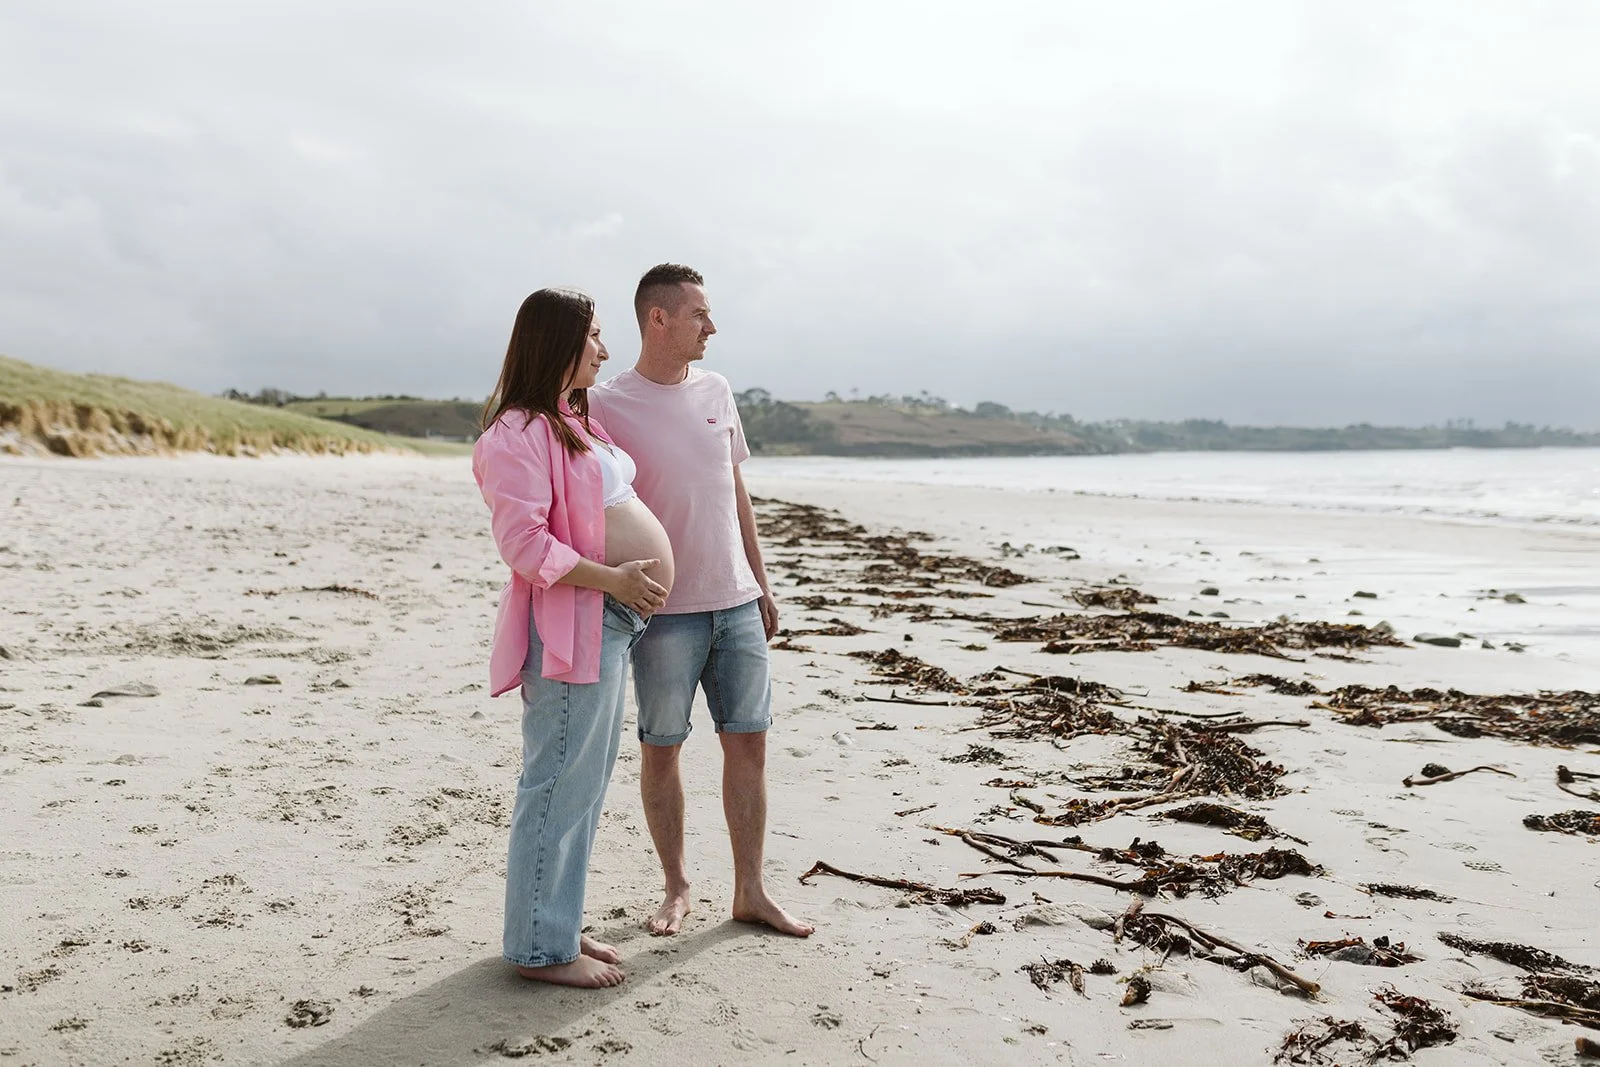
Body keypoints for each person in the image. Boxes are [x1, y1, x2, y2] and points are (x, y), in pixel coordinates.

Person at [588, 264, 815, 939]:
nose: (711, 327)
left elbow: (734, 491)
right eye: (699, 315)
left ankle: (751, 890)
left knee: (750, 744)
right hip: (662, 612)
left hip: (737, 601)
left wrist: (762, 582)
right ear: (658, 319)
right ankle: (677, 885)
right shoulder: (604, 404)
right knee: (662, 747)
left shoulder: (717, 389)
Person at [473, 287, 675, 987]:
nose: (604, 350)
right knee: (558, 781)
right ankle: (540, 949)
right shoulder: (516, 433)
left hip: (610, 620)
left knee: (582, 785)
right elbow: (525, 544)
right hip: (576, 620)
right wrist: (614, 579)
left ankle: (553, 923)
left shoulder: (569, 420)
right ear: (556, 340)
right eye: (593, 335)